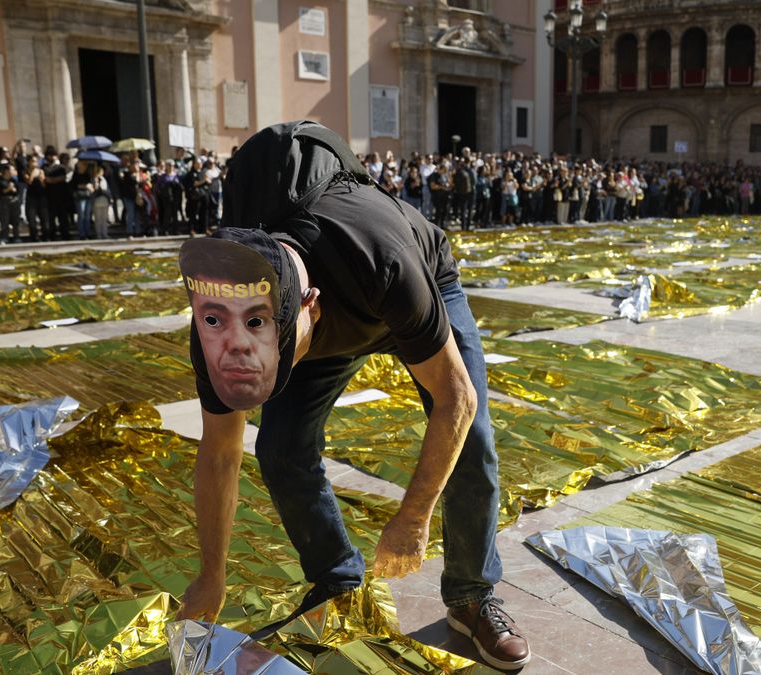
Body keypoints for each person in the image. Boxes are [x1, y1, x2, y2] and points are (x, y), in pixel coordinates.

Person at [176, 122, 530, 671]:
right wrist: (211, 575)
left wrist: (413, 517)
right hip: (326, 315)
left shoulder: (384, 260)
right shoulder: (221, 322)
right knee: (281, 446)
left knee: (472, 438)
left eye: (275, 356)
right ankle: (337, 580)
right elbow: (221, 451)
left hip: (414, 285)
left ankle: (471, 594)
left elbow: (455, 400)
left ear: (309, 307)